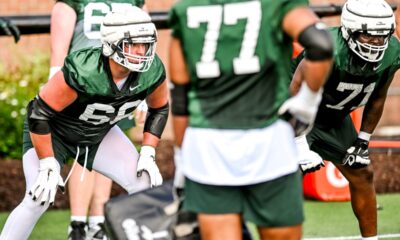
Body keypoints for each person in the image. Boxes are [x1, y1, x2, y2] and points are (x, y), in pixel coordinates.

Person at [168, 0, 334, 239]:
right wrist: (306, 105)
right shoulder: (275, 5)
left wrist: (182, 160)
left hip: (208, 149)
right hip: (269, 141)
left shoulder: (185, 10)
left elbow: (181, 102)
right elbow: (321, 44)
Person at [0, 8, 167, 240]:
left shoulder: (152, 71)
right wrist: (48, 163)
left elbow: (159, 108)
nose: (142, 51)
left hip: (97, 132)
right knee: (37, 197)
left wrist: (148, 151)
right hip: (53, 133)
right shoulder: (85, 69)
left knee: (145, 183)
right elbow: (39, 114)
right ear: (112, 43)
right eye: (133, 44)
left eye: (145, 44)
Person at [292, 0, 399, 239]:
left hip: (333, 118)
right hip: (293, 113)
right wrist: (298, 142)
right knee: (285, 179)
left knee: (362, 173)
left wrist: (363, 140)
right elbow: (295, 88)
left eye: (383, 37)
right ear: (350, 30)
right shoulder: (328, 47)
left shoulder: (392, 52)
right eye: (369, 36)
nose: (377, 43)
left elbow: (378, 97)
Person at [49, 1, 148, 239]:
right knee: (85, 154)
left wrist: (143, 87)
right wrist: (56, 77)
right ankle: (78, 223)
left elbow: (146, 37)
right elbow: (59, 47)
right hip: (84, 83)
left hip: (119, 85)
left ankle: (97, 222)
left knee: (109, 154)